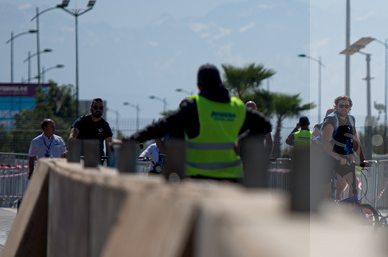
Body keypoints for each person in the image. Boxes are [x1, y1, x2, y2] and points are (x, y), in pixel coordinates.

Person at [127, 64, 272, 182]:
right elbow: (265, 126)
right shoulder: (237, 106)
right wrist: (240, 139)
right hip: (230, 177)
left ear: (199, 85)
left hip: (199, 176)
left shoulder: (194, 105)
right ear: (220, 82)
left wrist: (131, 140)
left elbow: (160, 127)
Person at [321, 95, 367, 200]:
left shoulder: (351, 119)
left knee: (354, 184)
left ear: (350, 108)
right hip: (327, 155)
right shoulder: (331, 120)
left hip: (342, 155)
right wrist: (337, 157)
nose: (344, 108)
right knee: (325, 192)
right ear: (336, 106)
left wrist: (362, 158)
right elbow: (325, 142)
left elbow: (355, 140)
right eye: (341, 106)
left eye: (347, 106)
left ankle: (347, 212)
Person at [69, 98, 114, 164]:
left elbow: (109, 144)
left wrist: (109, 162)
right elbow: (72, 136)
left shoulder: (105, 125)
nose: (98, 109)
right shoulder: (81, 121)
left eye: (100, 108)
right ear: (91, 109)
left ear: (103, 110)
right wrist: (69, 150)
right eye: (95, 107)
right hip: (82, 160)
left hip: (98, 161)